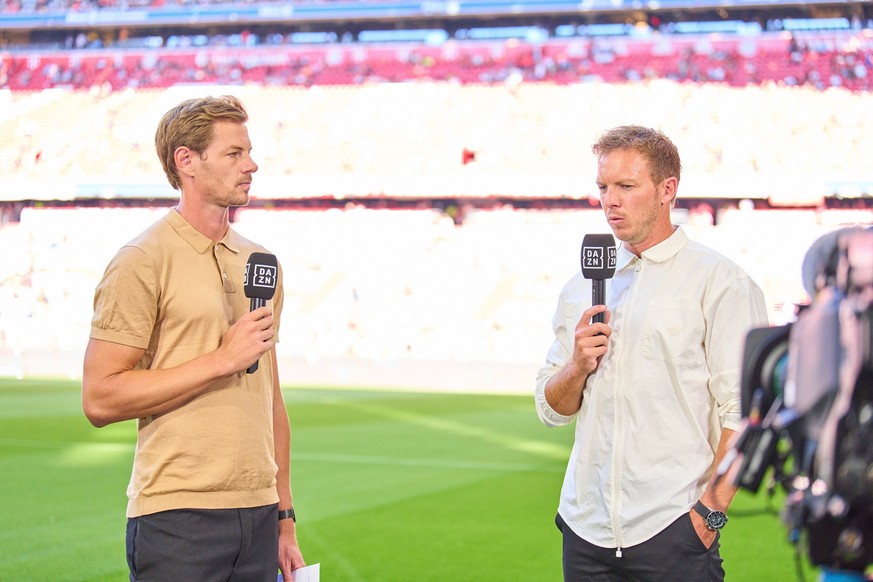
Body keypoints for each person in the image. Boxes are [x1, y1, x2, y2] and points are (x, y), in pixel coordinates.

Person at [82, 95, 306, 581]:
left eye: (248, 152)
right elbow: (100, 398)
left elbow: (272, 399)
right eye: (233, 153)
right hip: (177, 516)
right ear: (187, 161)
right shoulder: (141, 259)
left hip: (261, 514)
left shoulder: (261, 262)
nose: (252, 164)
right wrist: (221, 360)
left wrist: (285, 518)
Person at [535, 125, 768, 581]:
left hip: (674, 530)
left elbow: (745, 411)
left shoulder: (721, 282)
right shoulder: (580, 288)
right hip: (584, 531)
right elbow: (551, 410)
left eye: (625, 186)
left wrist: (710, 515)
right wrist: (578, 366)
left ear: (667, 190)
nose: (610, 201)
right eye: (603, 187)